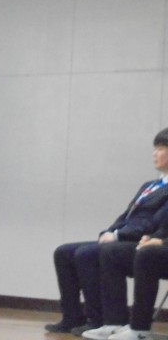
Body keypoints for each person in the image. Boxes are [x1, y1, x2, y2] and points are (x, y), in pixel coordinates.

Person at [45, 127, 168, 336]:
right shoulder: (150, 185)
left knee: (89, 254)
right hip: (126, 236)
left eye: (161, 148)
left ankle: (99, 319)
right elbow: (126, 215)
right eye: (154, 148)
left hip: (139, 241)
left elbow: (153, 223)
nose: (155, 153)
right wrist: (109, 231)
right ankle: (72, 316)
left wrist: (119, 236)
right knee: (64, 252)